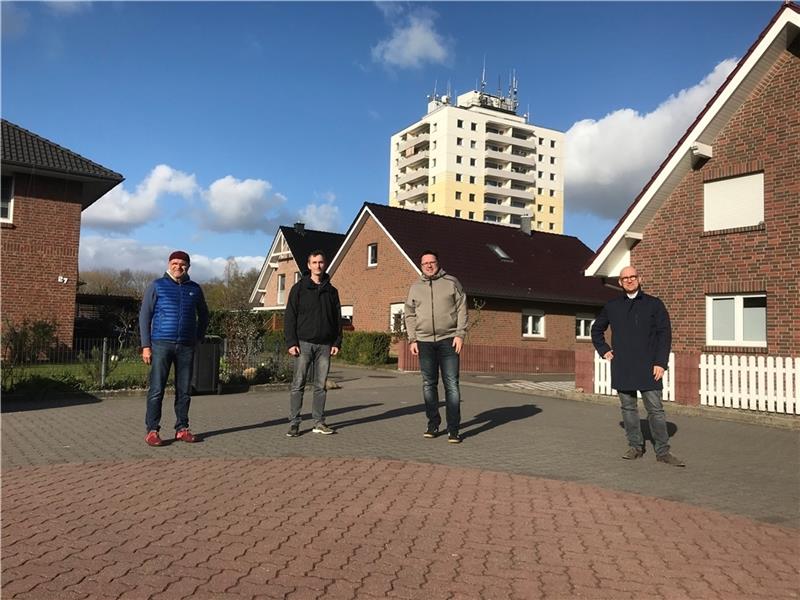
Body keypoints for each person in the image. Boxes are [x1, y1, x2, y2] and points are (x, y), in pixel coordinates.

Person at [591, 266, 685, 466]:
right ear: (620, 282)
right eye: (625, 278)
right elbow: (596, 329)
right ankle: (635, 447)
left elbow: (664, 335)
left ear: (639, 279)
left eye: (633, 277)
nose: (629, 280)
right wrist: (604, 350)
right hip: (623, 366)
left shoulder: (654, 304)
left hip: (649, 367)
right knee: (628, 409)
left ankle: (663, 451)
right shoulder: (612, 306)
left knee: (656, 411)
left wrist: (661, 362)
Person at [139, 250, 209, 447]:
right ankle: (152, 430)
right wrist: (146, 346)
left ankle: (182, 428)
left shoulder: (194, 289)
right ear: (169, 264)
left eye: (183, 264)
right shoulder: (157, 285)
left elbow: (204, 315)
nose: (178, 267)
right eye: (175, 263)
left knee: (184, 390)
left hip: (186, 346)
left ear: (188, 266)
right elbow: (145, 316)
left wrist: (198, 337)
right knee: (156, 390)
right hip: (161, 344)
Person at [404, 250, 468, 443]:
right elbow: (409, 313)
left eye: (432, 262)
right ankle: (433, 424)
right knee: (428, 385)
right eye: (425, 263)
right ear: (421, 266)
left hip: (449, 340)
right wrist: (412, 339)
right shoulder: (415, 287)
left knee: (451, 385)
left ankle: (453, 429)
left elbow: (462, 308)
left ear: (438, 263)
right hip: (424, 342)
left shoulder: (452, 282)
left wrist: (460, 334)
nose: (429, 266)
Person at [284, 251, 342, 437]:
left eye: (321, 262)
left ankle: (319, 422)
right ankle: (294, 423)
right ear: (308, 265)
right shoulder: (299, 289)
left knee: (320, 386)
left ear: (325, 265)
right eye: (314, 262)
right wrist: (291, 342)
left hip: (325, 345)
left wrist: (336, 341)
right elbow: (290, 317)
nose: (318, 265)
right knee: (298, 384)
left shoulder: (332, 291)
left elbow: (337, 319)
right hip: (303, 344)